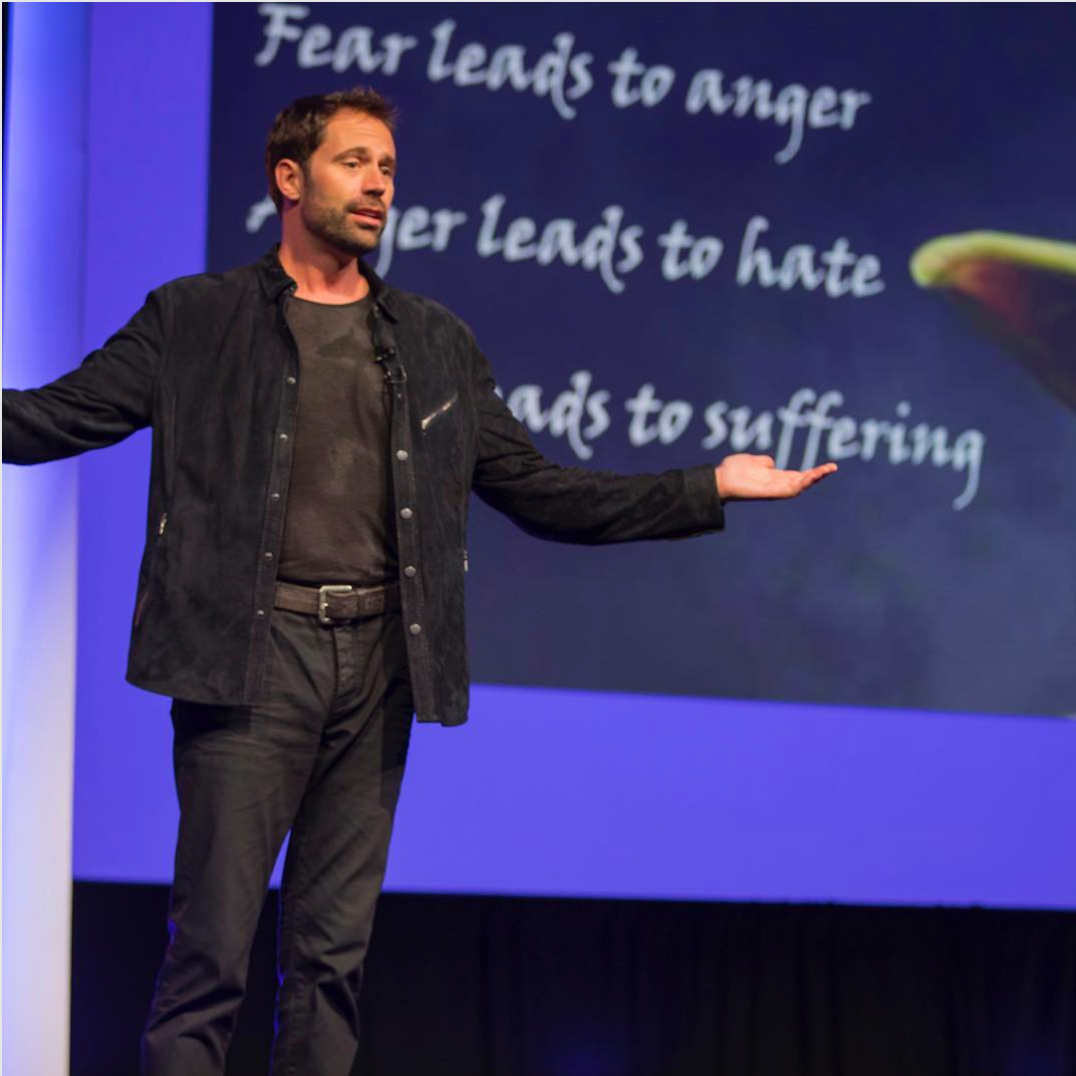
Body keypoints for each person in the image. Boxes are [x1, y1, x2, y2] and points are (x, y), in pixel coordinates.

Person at [2, 87, 836, 1076]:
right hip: (249, 660)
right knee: (208, 959)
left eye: (387, 169)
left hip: (383, 667)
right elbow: (47, 419)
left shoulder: (433, 340)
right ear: (289, 177)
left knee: (328, 969)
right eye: (354, 162)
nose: (376, 186)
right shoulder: (194, 320)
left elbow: (541, 491)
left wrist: (706, 484)